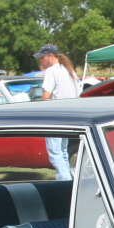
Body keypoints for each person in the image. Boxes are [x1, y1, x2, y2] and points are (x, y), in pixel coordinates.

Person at [37, 44, 78, 179]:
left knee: (55, 153)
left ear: (49, 56)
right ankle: (67, 179)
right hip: (70, 115)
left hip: (55, 116)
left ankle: (65, 180)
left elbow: (46, 96)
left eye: (42, 58)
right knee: (63, 151)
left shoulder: (51, 71)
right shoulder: (69, 70)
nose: (41, 62)